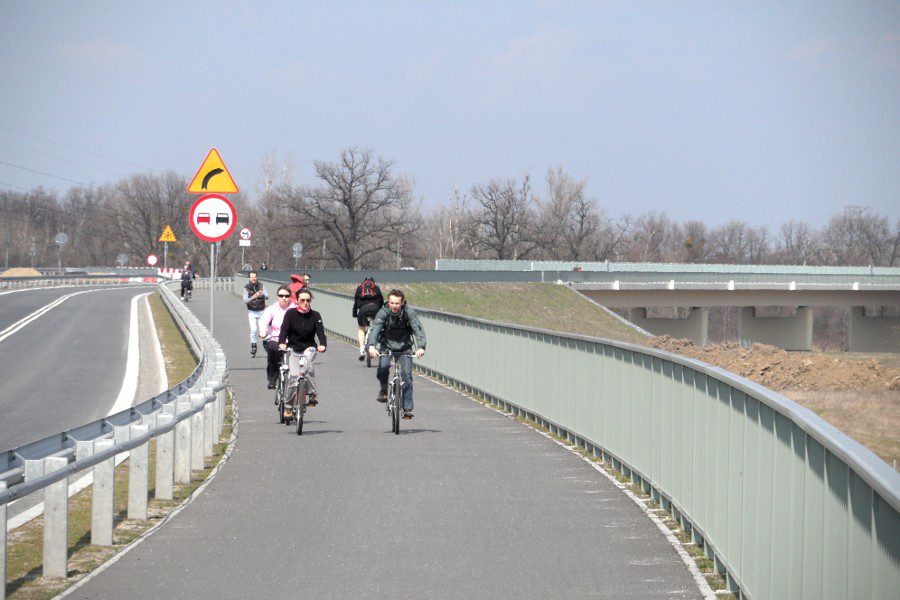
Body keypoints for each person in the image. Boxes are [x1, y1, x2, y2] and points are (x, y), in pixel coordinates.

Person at [367, 289, 426, 419]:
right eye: (392, 303)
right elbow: (375, 330)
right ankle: (383, 390)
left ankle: (407, 407)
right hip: (387, 345)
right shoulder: (383, 312)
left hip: (404, 347)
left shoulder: (409, 313)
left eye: (397, 303)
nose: (394, 306)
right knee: (383, 367)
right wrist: (372, 346)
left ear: (402, 302)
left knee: (407, 376)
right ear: (388, 301)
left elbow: (418, 329)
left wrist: (421, 347)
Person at [278, 287, 327, 407]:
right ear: (297, 301)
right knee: (293, 377)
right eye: (302, 300)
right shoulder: (290, 314)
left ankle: (312, 394)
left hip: (309, 347)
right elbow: (284, 330)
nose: (305, 303)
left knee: (307, 365)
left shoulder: (315, 315)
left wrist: (323, 345)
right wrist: (281, 342)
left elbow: (321, 332)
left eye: (308, 300)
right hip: (293, 348)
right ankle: (288, 407)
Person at [258, 284, 295, 390]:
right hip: (276, 338)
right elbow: (264, 322)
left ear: (290, 297)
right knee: (272, 350)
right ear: (278, 296)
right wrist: (262, 332)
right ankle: (272, 379)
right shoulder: (272, 309)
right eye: (281, 295)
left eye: (287, 296)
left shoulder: (295, 309)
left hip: (292, 339)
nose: (284, 298)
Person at [352, 277, 384, 361]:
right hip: (375, 309)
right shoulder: (376, 288)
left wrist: (354, 314)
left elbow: (355, 303)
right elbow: (381, 301)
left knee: (361, 328)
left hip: (363, 310)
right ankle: (375, 346)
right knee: (377, 327)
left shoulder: (359, 288)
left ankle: (362, 348)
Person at [242, 271, 269, 357]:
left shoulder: (261, 286)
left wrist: (262, 294)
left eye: (255, 277)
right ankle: (254, 346)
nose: (254, 279)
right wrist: (254, 296)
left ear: (257, 277)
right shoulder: (246, 288)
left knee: (263, 330)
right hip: (252, 311)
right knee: (253, 329)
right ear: (249, 278)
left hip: (261, 311)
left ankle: (266, 346)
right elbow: (245, 300)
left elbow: (267, 296)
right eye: (252, 277)